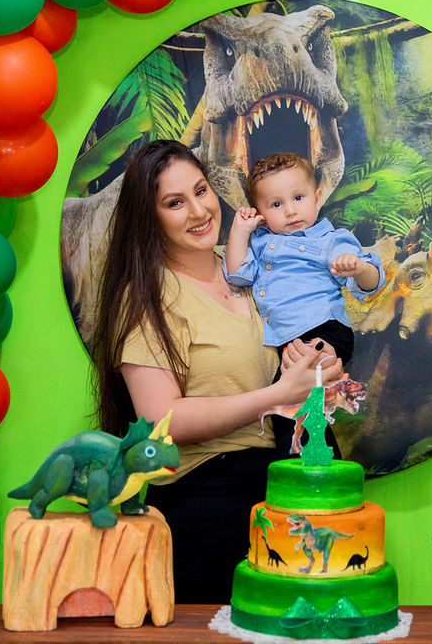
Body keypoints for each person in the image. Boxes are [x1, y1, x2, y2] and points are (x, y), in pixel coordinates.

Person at [88, 139, 344, 605]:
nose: (199, 210)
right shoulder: (147, 298)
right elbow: (162, 421)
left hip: (285, 481)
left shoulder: (252, 264)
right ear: (150, 219)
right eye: (174, 202)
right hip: (208, 496)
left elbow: (304, 338)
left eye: (201, 190)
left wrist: (320, 369)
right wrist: (278, 394)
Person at [223, 151, 385, 367]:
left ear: (318, 200)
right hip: (287, 342)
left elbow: (373, 285)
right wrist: (240, 232)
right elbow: (236, 275)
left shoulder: (329, 241)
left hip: (324, 331)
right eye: (276, 205)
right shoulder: (259, 243)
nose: (290, 211)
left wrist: (360, 269)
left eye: (298, 198)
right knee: (295, 393)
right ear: (260, 213)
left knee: (289, 391)